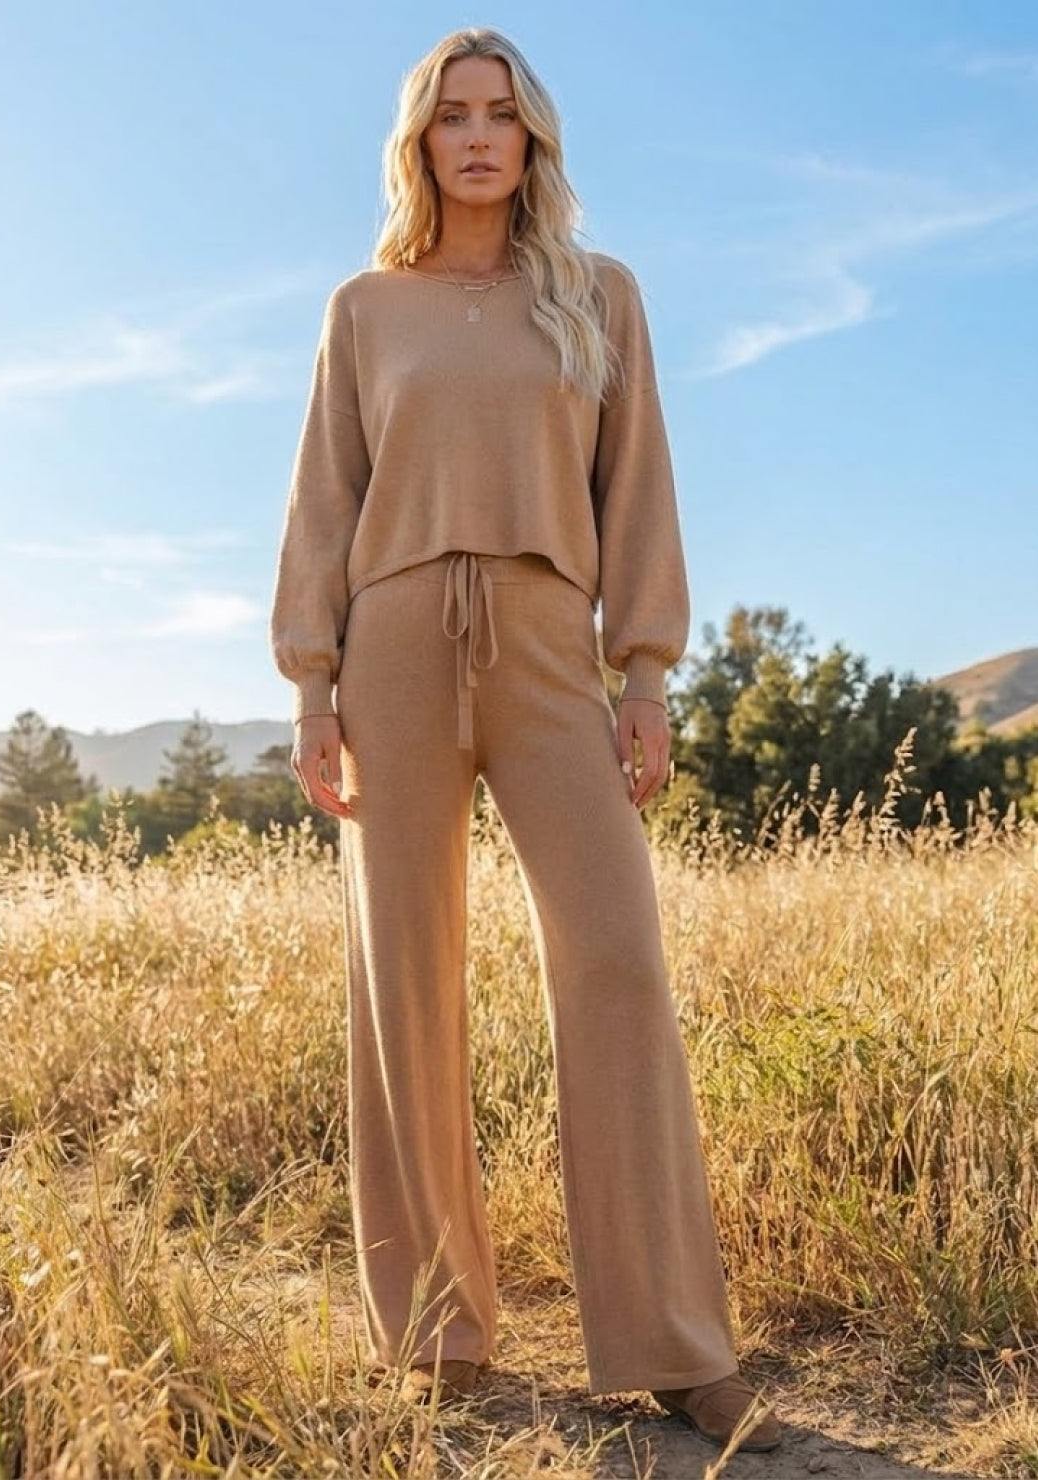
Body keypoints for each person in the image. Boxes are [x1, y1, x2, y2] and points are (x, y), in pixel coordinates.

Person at [269, 25, 781, 1454]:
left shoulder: (595, 295)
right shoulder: (365, 309)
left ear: (533, 140)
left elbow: (640, 492)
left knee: (616, 954)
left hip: (554, 645)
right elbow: (323, 498)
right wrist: (311, 688)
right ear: (420, 143)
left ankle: (672, 1338)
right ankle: (435, 1330)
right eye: (453, 118)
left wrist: (645, 671)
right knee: (406, 984)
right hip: (390, 649)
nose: (479, 137)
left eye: (502, 115)